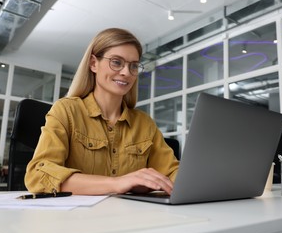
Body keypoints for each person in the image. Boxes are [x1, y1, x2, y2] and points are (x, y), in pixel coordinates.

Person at [25, 28, 179, 195]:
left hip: (129, 217)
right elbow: (38, 175)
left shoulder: (144, 123)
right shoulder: (66, 111)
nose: (126, 72)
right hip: (76, 219)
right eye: (116, 62)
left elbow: (172, 172)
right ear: (93, 64)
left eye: (133, 66)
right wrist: (116, 183)